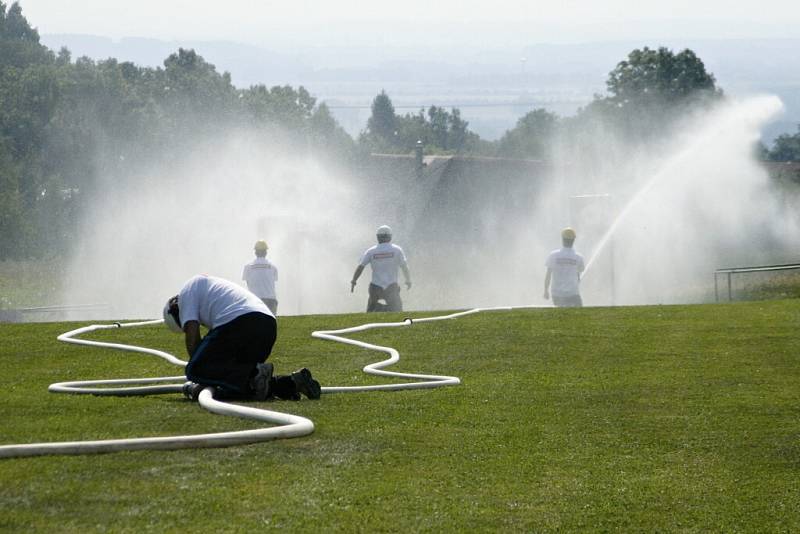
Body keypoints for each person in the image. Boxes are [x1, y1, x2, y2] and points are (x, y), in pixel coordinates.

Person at [163, 274, 320, 401]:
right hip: (267, 326)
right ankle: (290, 384)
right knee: (240, 385)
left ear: (175, 308)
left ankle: (258, 375)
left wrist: (200, 376)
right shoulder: (209, 293)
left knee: (195, 368)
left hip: (242, 321)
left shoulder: (187, 292)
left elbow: (193, 341)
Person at [350, 225, 412, 312]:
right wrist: (408, 280)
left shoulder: (371, 251)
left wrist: (354, 280)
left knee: (370, 311)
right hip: (391, 286)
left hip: (376, 287)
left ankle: (376, 311)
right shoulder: (397, 250)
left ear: (377, 237)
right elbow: (404, 266)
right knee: (397, 311)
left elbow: (361, 266)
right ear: (390, 236)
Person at [543, 227, 586, 307]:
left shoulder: (553, 255)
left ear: (562, 239)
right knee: (578, 316)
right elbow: (579, 273)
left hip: (557, 293)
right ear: (573, 240)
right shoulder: (578, 257)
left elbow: (548, 275)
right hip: (573, 293)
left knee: (562, 315)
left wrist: (546, 290)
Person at [242, 239, 279, 315]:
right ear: (266, 252)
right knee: (270, 324)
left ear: (255, 252)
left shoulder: (247, 267)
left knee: (255, 324)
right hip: (271, 300)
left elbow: (248, 284)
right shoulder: (273, 267)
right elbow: (272, 282)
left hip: (254, 300)